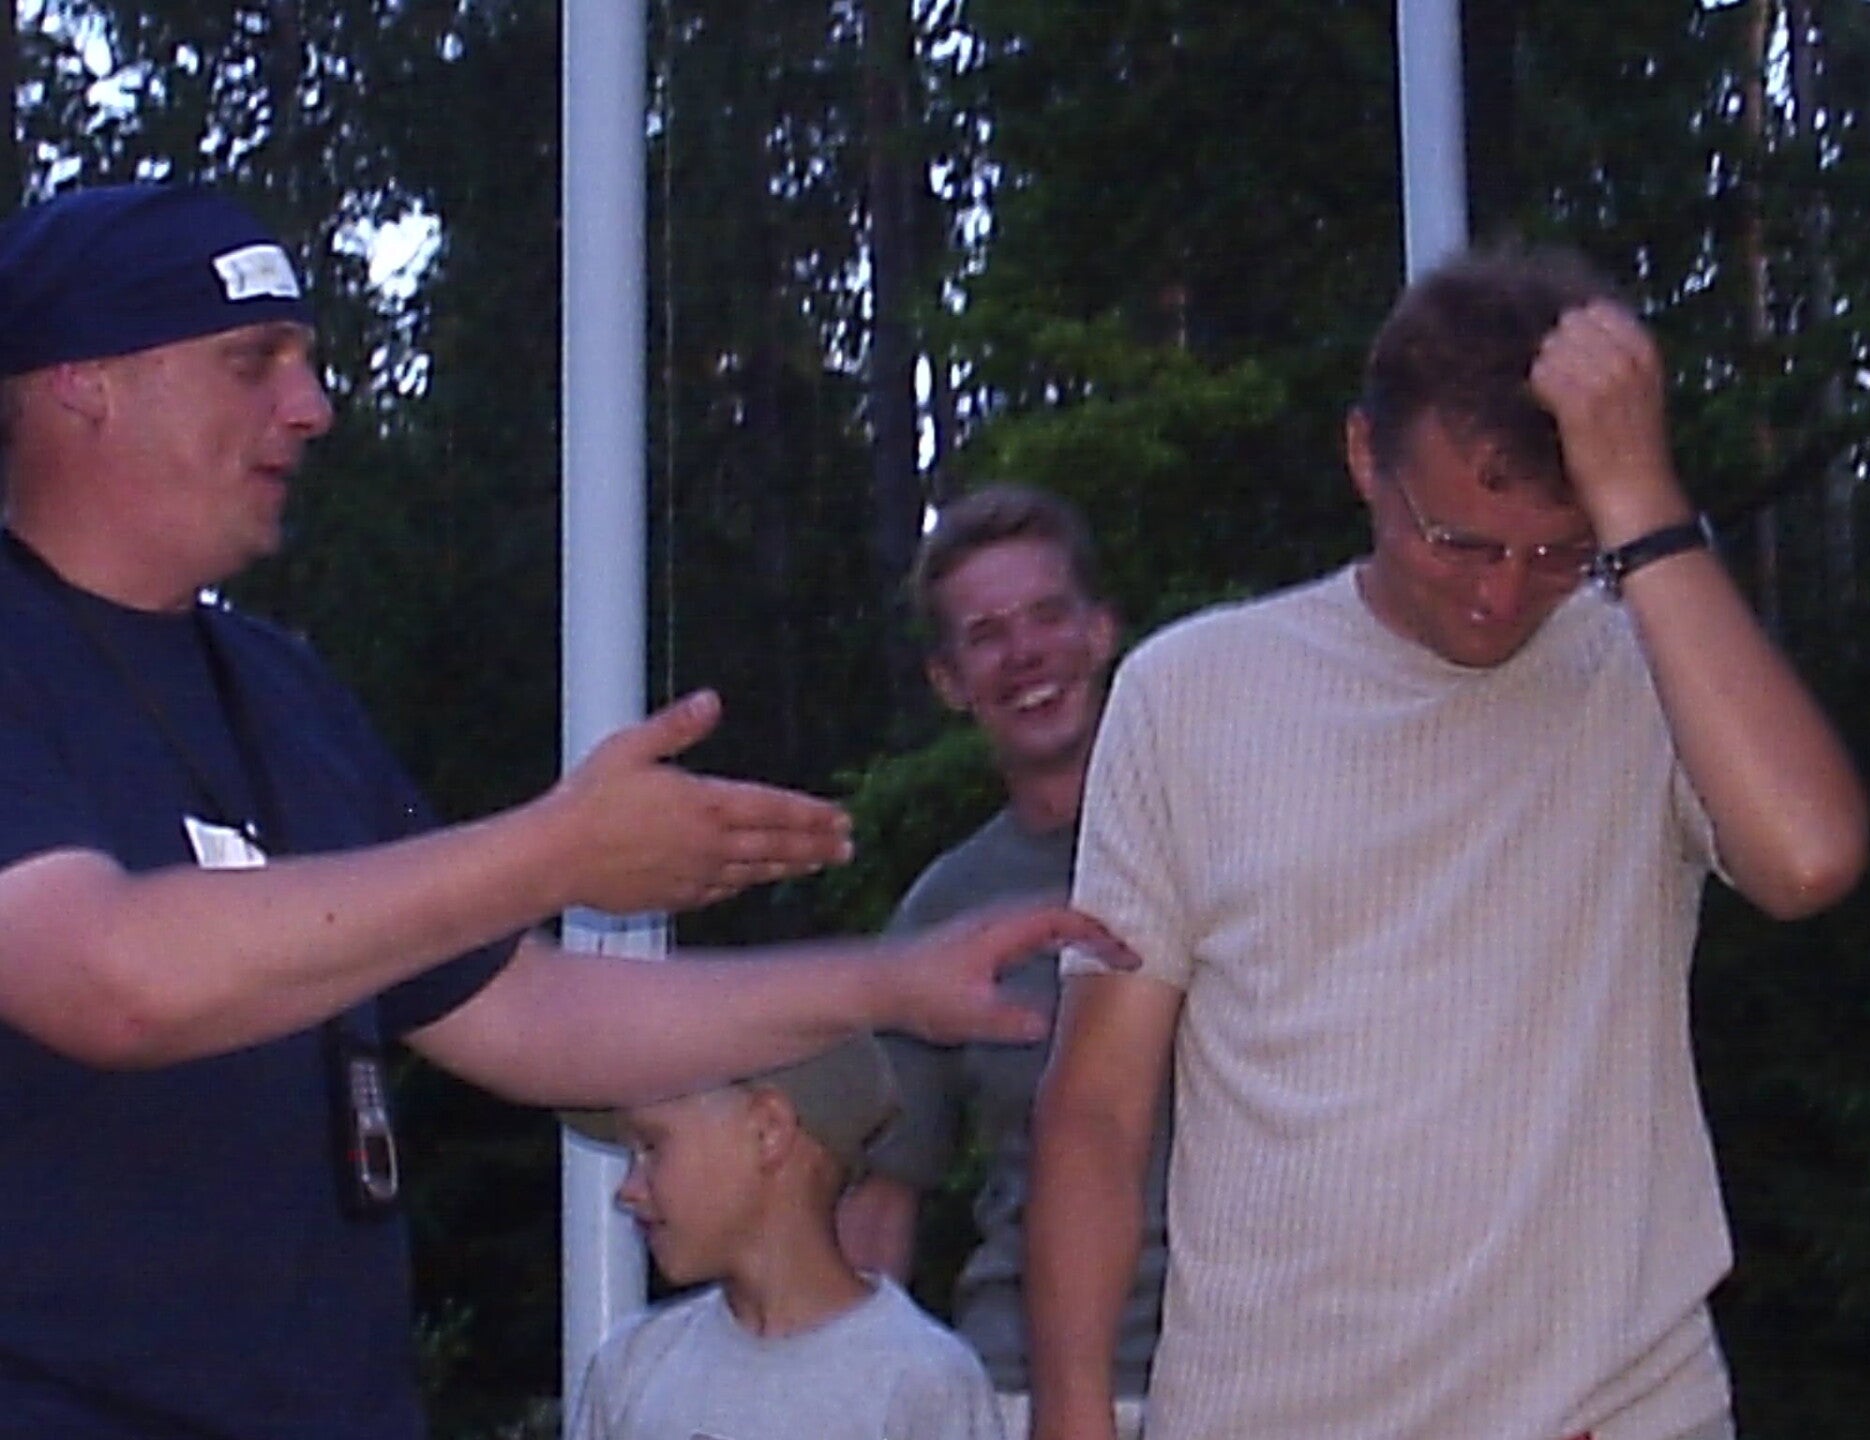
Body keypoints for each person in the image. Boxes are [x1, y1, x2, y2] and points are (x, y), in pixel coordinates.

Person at [0, 182, 1128, 1440]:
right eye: (252, 361)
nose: (310, 407)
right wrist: (553, 850)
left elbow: (529, 1011)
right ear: (84, 381)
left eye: (305, 363)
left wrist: (888, 983)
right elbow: (104, 976)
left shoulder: (285, 691)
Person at [1027, 248, 1870, 1440]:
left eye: (1557, 551)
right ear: (1363, 458)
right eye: (1459, 541)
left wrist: (1638, 497)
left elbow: (1809, 857)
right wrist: (1072, 1413)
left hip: (1605, 1414)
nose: (1500, 595)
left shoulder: (1652, 666)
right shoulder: (1189, 693)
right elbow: (1098, 1111)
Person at [837, 485, 1168, 1440]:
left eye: (1048, 616)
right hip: (1021, 1383)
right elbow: (882, 1191)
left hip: (1259, 1367)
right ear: (949, 680)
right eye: (986, 635)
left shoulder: (1233, 837)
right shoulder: (946, 910)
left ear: (1102, 631)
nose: (1025, 655)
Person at [566, 1032, 1006, 1440]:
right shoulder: (632, 1369)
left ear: (769, 1131)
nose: (627, 1190)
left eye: (652, 1147)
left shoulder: (921, 1380)